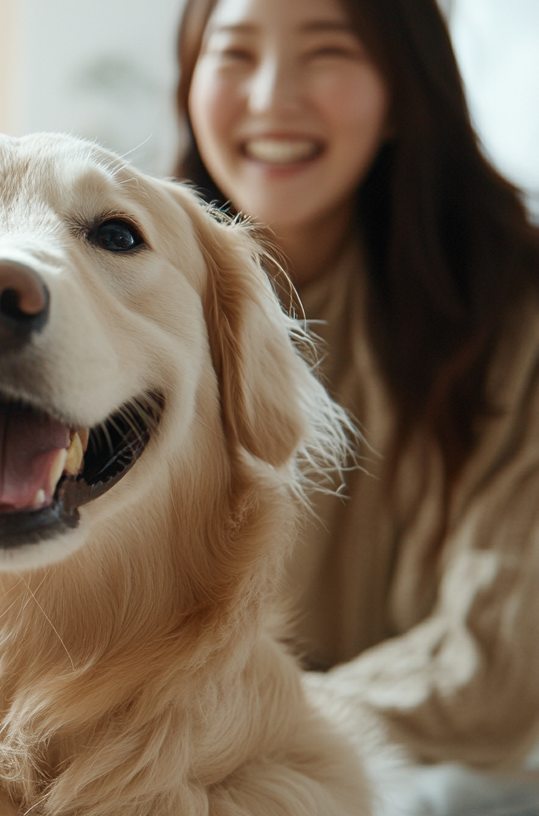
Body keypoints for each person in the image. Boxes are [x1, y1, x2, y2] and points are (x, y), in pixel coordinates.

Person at [176, 0, 539, 807]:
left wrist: (205, 738)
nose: (272, 95)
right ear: (190, 82)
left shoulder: (516, 315)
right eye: (235, 53)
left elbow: (497, 665)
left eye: (327, 51)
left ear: (405, 91)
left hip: (420, 770)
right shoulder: (130, 306)